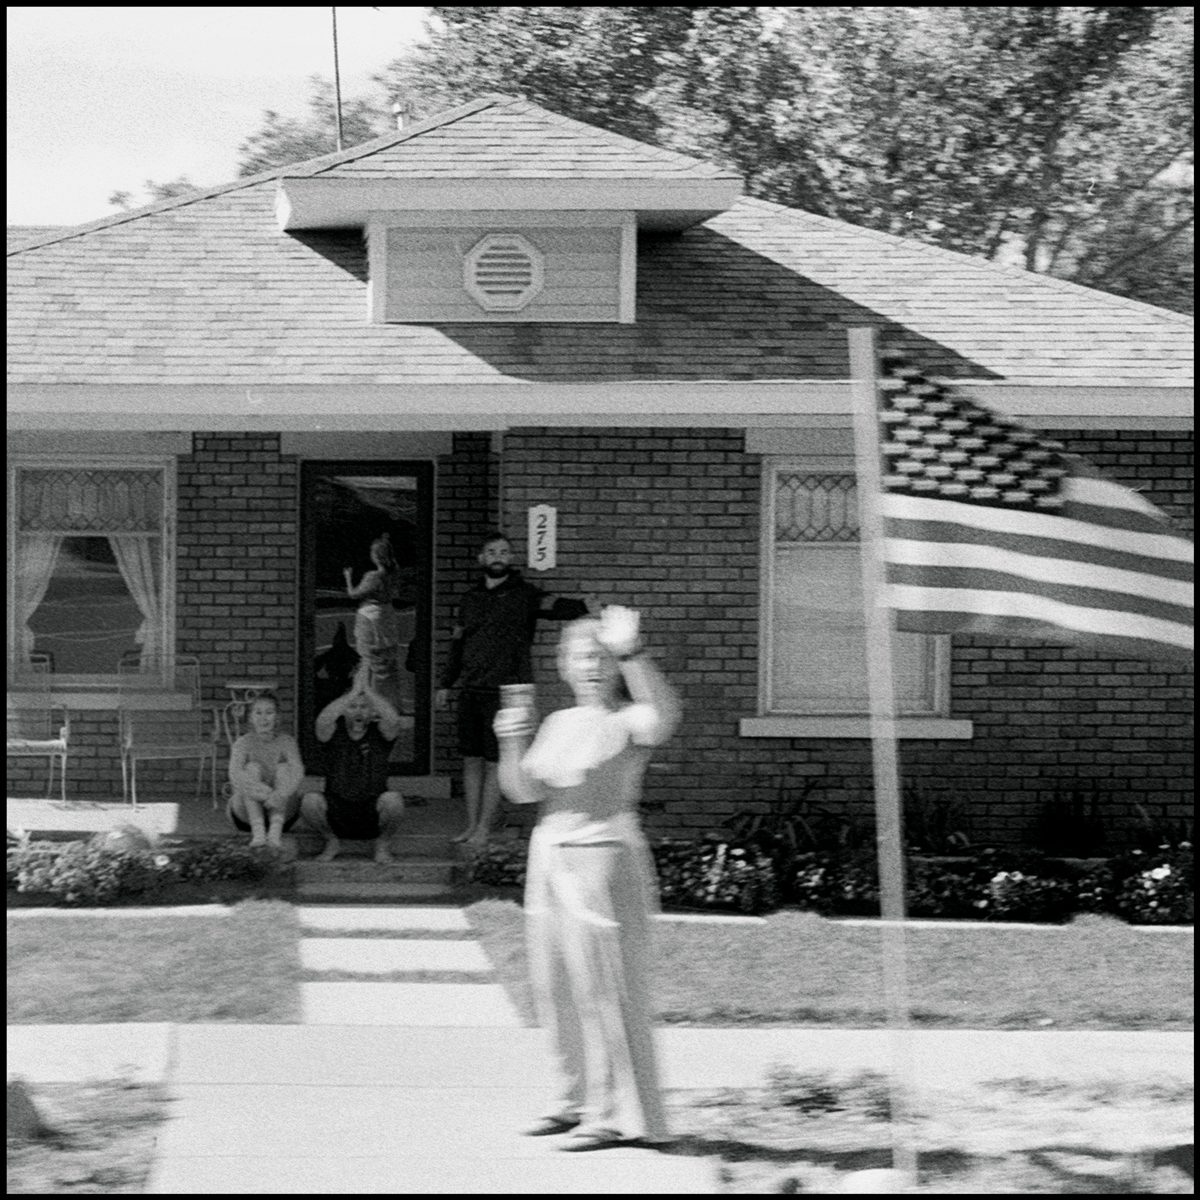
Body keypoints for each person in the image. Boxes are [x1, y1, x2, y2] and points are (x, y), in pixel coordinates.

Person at [494, 605, 681, 1151]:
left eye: (601, 658)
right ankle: (573, 1101)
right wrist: (510, 740)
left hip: (605, 860)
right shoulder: (556, 724)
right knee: (555, 989)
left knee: (608, 989)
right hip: (549, 859)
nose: (592, 666)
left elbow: (664, 715)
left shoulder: (629, 718)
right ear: (563, 667)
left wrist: (631, 650)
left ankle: (620, 1114)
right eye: (582, 657)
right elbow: (524, 792)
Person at [436, 531, 591, 848]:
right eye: (491, 551)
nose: (498, 556)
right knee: (471, 759)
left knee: (495, 760)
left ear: (510, 559)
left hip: (507, 691)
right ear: (481, 558)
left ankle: (483, 828)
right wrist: (445, 683)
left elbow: (554, 606)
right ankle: (470, 825)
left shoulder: (524, 595)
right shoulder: (469, 599)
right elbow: (458, 644)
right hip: (471, 688)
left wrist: (585, 605)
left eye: (504, 552)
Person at [301, 668, 406, 864]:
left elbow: (393, 720)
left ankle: (382, 845)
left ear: (372, 711)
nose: (358, 711)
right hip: (337, 809)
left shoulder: (380, 734)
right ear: (343, 711)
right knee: (309, 801)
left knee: (394, 801)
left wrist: (368, 691)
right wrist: (351, 693)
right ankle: (331, 841)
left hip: (372, 809)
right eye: (352, 707)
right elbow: (322, 721)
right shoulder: (333, 733)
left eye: (364, 707)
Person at [227, 692, 305, 851]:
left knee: (284, 769)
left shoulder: (287, 742)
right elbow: (235, 775)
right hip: (246, 815)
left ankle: (275, 834)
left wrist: (281, 794)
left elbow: (298, 772)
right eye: (258, 713)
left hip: (282, 813)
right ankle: (259, 833)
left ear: (277, 716)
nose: (264, 718)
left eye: (269, 713)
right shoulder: (242, 743)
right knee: (251, 768)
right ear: (251, 717)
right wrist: (266, 794)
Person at [343, 533, 402, 706]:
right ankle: (390, 703)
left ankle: (372, 702)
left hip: (370, 619)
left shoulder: (373, 576)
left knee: (369, 661)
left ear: (376, 555)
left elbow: (353, 594)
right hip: (387, 617)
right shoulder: (394, 573)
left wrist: (348, 577)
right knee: (387, 661)